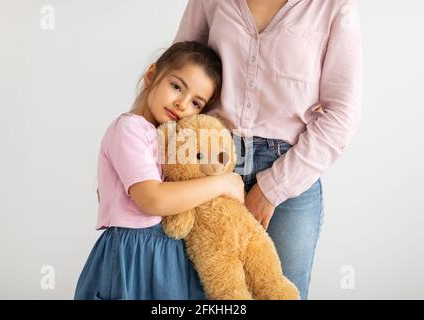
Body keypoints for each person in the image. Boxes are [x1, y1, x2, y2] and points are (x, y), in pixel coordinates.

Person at [174, 0, 363, 299]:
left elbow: (343, 113)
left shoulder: (334, 6)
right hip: (206, 164)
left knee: (279, 291)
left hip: (290, 173)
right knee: (197, 294)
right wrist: (130, 160)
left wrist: (272, 188)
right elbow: (176, 74)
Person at [74, 41, 245, 300]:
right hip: (133, 257)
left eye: (196, 103)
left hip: (168, 258)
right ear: (152, 75)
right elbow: (153, 198)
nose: (182, 104)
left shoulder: (167, 139)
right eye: (176, 86)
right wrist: (222, 183)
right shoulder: (129, 129)